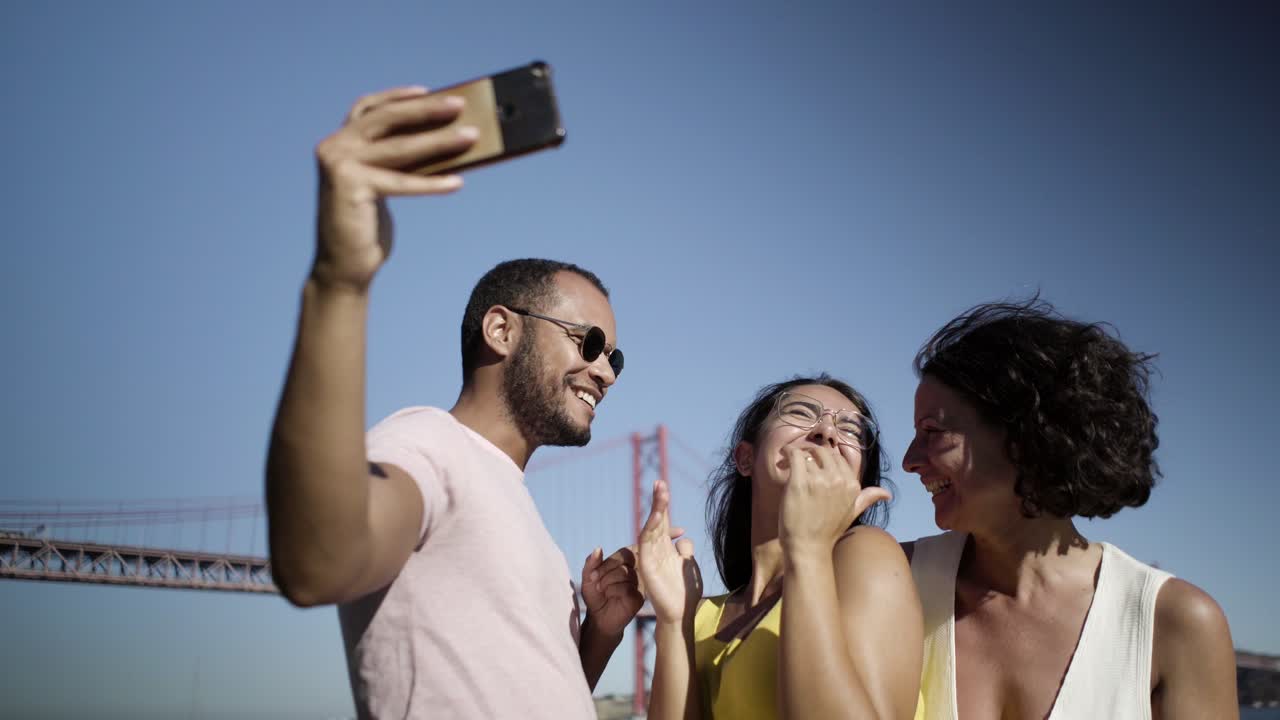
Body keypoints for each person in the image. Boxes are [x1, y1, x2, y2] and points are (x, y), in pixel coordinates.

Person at [265, 86, 641, 719]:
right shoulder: (425, 443)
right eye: (590, 342)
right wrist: (340, 280)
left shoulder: (525, 518)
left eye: (616, 359)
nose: (605, 371)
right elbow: (318, 564)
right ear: (501, 330)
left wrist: (598, 636)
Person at [902, 298, 1239, 719]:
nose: (910, 459)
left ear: (1027, 434)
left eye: (932, 431)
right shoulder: (893, 581)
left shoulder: (1175, 623)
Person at [637, 375, 924, 720]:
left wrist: (807, 550)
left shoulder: (867, 554)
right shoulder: (698, 616)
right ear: (745, 459)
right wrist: (673, 622)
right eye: (802, 413)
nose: (827, 433)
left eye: (850, 430)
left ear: (858, 478)